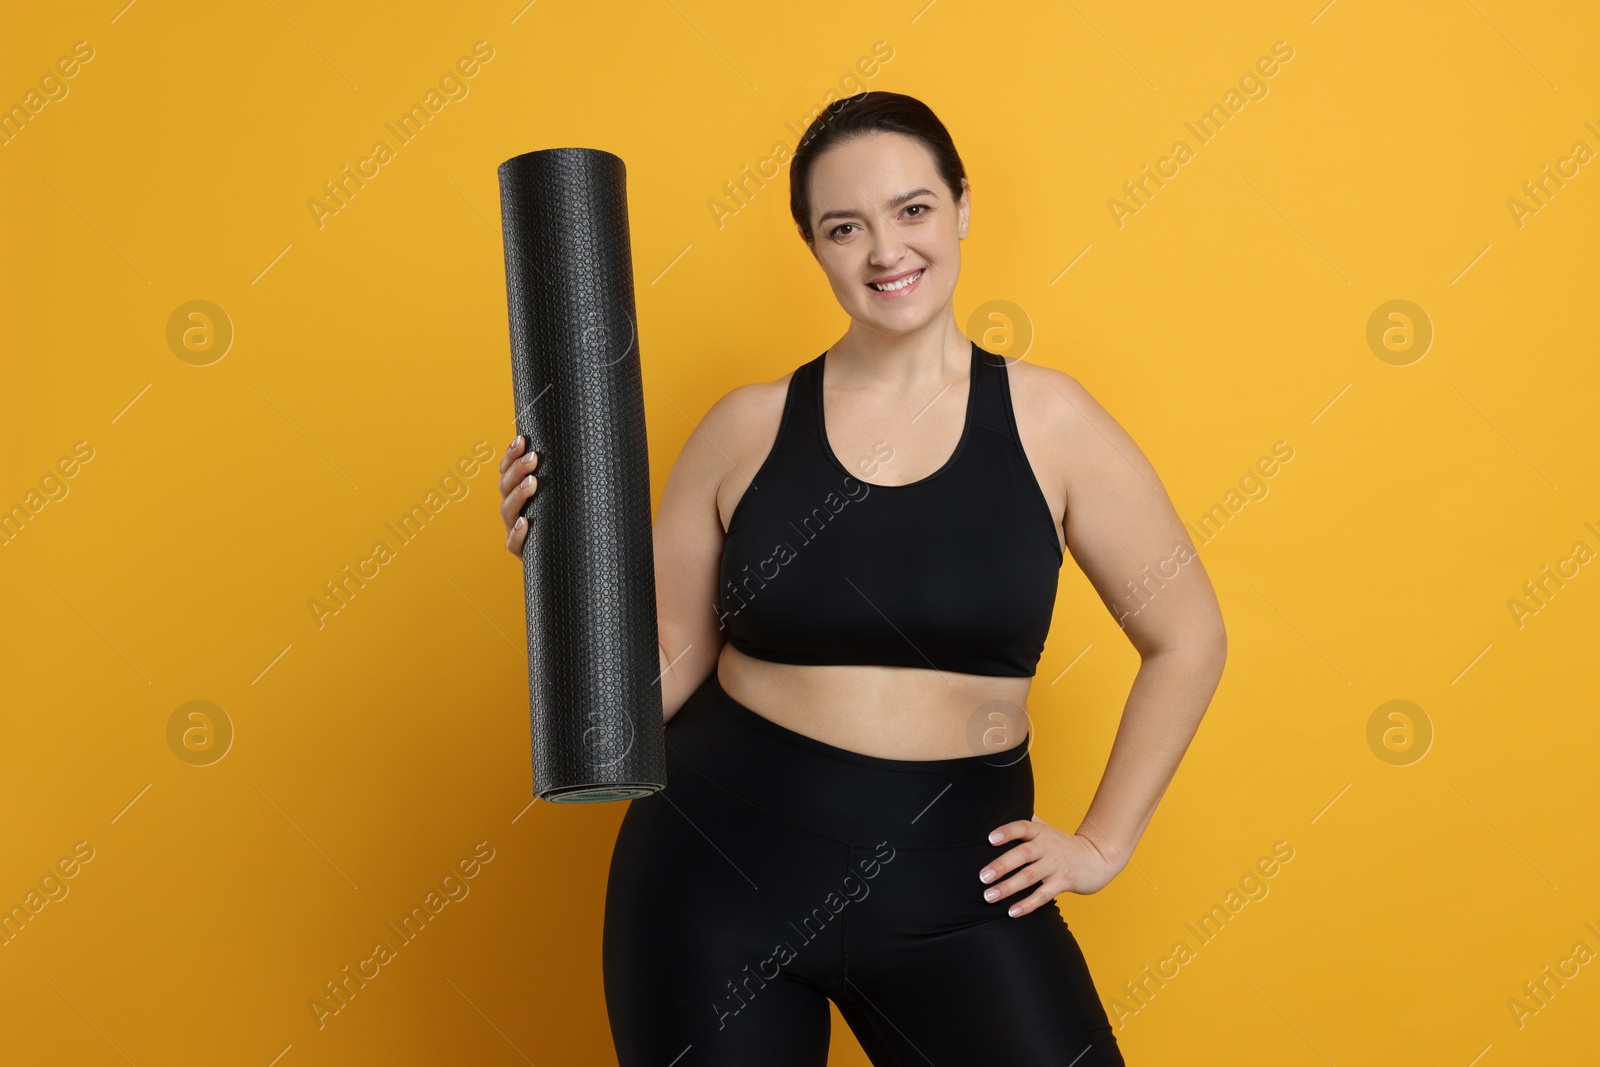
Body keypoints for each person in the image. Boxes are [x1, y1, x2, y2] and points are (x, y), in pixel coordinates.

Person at [499, 91, 1225, 1066]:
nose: (885, 250)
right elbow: (659, 673)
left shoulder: (1055, 424)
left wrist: (1100, 843)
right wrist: (557, 558)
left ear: (961, 206)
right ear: (813, 245)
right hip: (717, 873)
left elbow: (1187, 637)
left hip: (958, 883)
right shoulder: (743, 429)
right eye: (845, 226)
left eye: (912, 209)